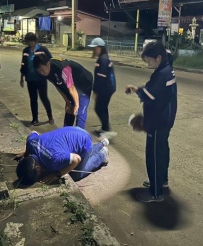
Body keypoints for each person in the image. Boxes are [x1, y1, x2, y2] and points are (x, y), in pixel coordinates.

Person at [125, 42, 177, 203]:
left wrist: (136, 90)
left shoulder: (162, 74)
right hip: (165, 119)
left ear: (159, 57)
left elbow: (150, 96)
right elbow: (154, 91)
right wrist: (138, 89)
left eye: (149, 60)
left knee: (154, 155)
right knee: (162, 151)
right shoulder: (166, 69)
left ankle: (155, 192)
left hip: (158, 121)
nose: (148, 63)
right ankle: (162, 181)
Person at [15, 127, 115, 185]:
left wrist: (57, 174)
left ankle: (102, 153)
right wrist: (26, 153)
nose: (39, 178)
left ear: (37, 167)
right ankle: (101, 144)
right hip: (72, 131)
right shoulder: (30, 143)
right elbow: (33, 132)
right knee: (65, 161)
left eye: (37, 176)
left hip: (83, 140)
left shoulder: (54, 160)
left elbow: (76, 159)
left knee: (76, 175)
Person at [33, 54, 93, 129]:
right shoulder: (46, 72)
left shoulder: (62, 68)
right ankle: (65, 133)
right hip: (70, 85)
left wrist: (76, 105)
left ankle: (79, 137)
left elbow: (71, 88)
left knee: (79, 112)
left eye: (42, 69)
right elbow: (58, 86)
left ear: (48, 63)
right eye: (39, 71)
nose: (41, 73)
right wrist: (67, 102)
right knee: (69, 109)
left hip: (83, 83)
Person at [20, 33, 54, 126]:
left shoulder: (43, 50)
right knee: (33, 99)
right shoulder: (26, 51)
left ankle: (50, 117)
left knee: (44, 98)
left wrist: (50, 75)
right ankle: (35, 119)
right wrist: (22, 78)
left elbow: (50, 62)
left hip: (41, 79)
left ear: (34, 41)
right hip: (30, 79)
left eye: (29, 41)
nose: (28, 43)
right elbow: (23, 64)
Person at [88, 38, 116, 134]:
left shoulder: (103, 59)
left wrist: (96, 92)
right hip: (108, 87)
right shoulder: (104, 57)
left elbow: (101, 79)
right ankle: (105, 127)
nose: (93, 50)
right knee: (103, 108)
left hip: (105, 88)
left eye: (94, 48)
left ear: (99, 48)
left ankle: (106, 129)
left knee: (99, 108)